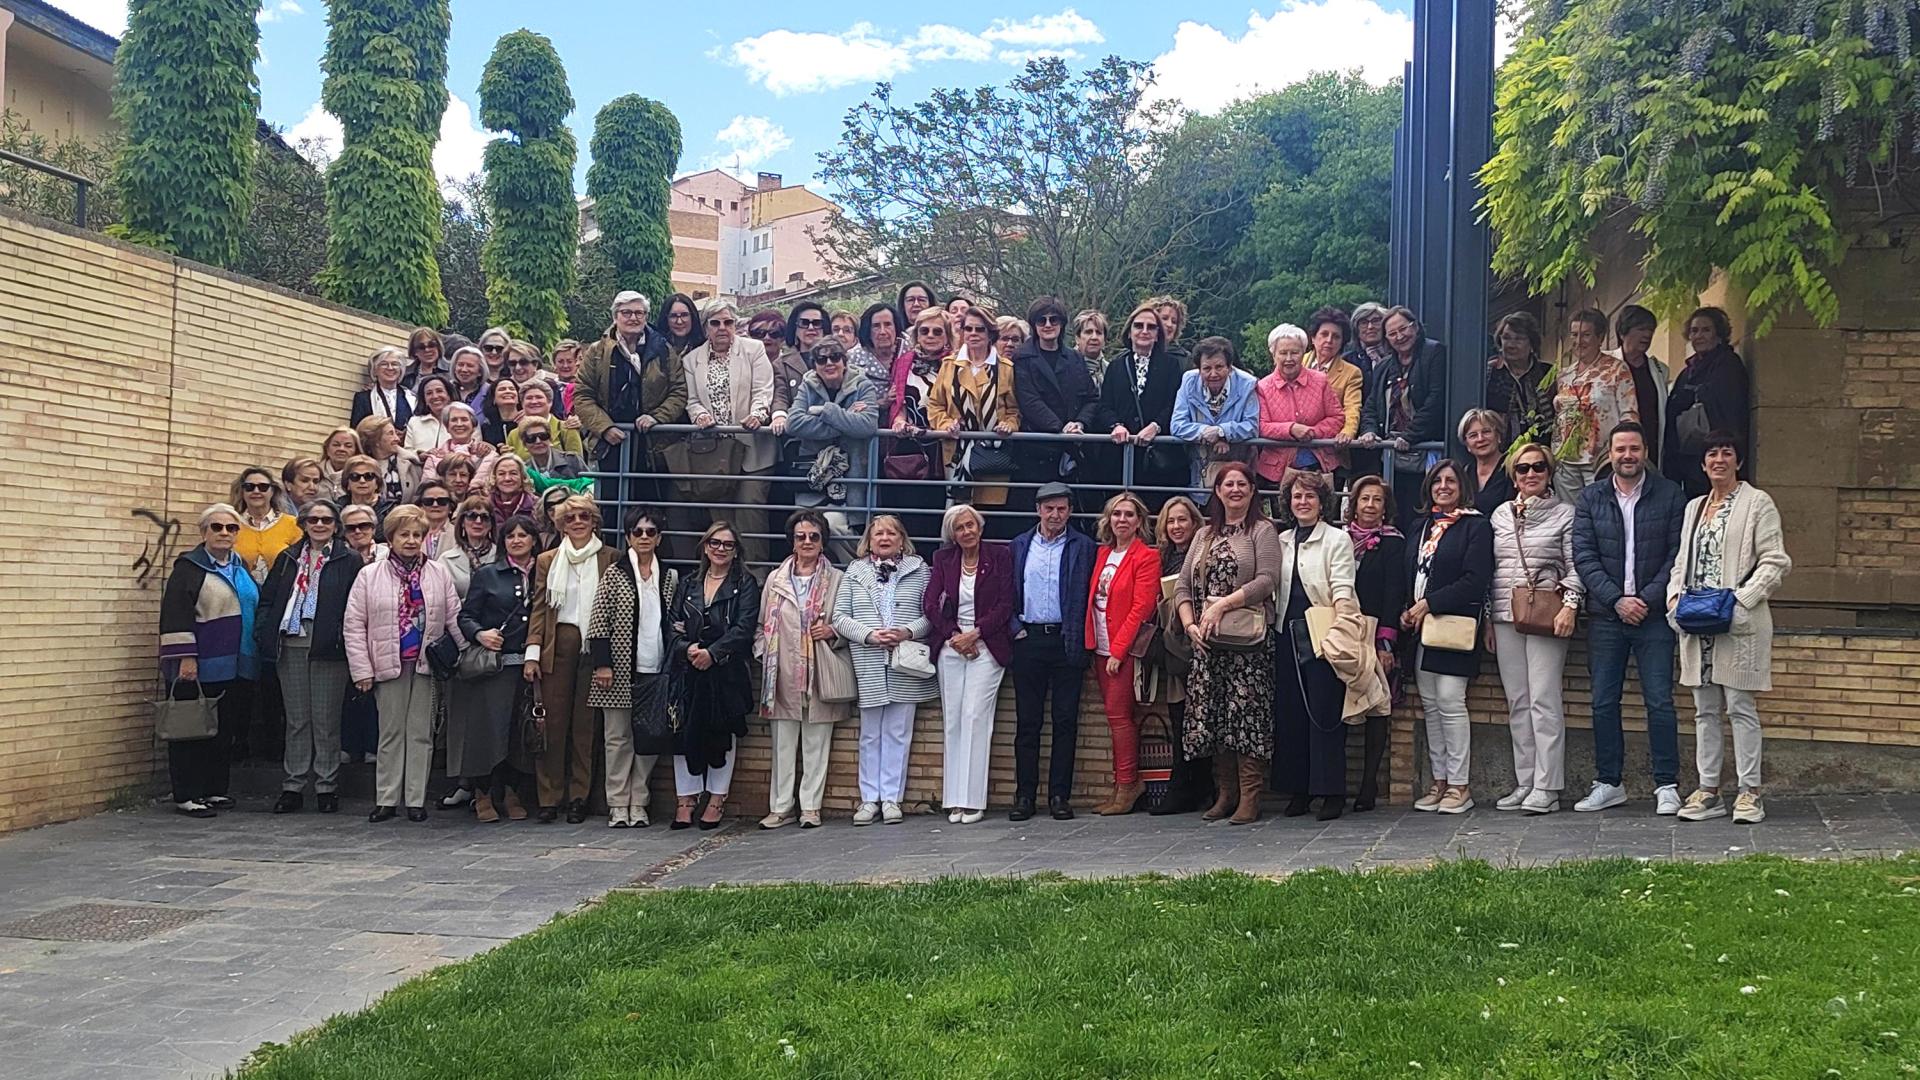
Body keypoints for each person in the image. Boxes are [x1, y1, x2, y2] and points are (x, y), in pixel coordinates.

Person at [1668, 432, 1792, 824]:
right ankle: (1708, 790)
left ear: (1738, 460)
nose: (1719, 460)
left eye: (1727, 453)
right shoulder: (1693, 508)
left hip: (1737, 622)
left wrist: (1741, 601)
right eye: (1712, 454)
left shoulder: (1758, 503)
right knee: (1704, 710)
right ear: (1703, 464)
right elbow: (1681, 563)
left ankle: (1749, 792)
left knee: (1740, 706)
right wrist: (1673, 599)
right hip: (1696, 621)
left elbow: (1775, 561)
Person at [1571, 421, 1687, 815]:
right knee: (1603, 701)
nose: (1627, 456)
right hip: (1606, 616)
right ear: (1610, 453)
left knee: (1660, 701)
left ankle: (1667, 785)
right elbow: (1584, 557)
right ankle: (1608, 782)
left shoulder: (1671, 495)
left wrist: (1645, 600)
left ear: (1645, 452)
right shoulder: (1590, 499)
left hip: (1654, 618)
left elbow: (1676, 555)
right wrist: (1617, 599)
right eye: (1620, 449)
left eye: (1634, 448)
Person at [1173, 463, 1280, 825]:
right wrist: (1189, 624)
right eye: (1227, 484)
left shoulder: (1262, 531)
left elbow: (1267, 580)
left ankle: (1251, 797)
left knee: (1246, 716)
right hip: (1209, 642)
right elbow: (1183, 586)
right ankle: (1225, 794)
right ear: (1217, 491)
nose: (1234, 490)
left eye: (1241, 484)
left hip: (1248, 643)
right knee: (1215, 717)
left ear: (1252, 490)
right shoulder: (1204, 535)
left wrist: (1223, 603)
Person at [345, 504, 462, 823]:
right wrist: (362, 670)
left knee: (421, 732)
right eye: (403, 534)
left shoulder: (439, 572)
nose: (410, 540)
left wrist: (465, 655)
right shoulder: (369, 575)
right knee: (391, 732)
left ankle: (415, 799)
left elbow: (453, 618)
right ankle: (386, 798)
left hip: (426, 663)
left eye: (416, 535)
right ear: (391, 537)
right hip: (387, 662)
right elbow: (354, 624)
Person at [1487, 443, 1583, 815]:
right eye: (1523, 469)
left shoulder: (1565, 514)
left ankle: (1548, 785)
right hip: (1504, 612)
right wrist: (1488, 619)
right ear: (1513, 476)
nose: (1530, 474)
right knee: (1518, 702)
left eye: (1538, 468)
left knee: (1544, 699)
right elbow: (1491, 569)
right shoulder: (1499, 515)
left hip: (1547, 612)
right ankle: (1524, 780)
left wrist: (1571, 606)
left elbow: (1577, 566)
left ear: (1549, 472)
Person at [1402, 458, 1494, 815]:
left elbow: (1475, 578)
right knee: (1430, 705)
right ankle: (1438, 782)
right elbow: (1408, 570)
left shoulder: (1475, 526)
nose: (1443, 486)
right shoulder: (1420, 526)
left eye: (1451, 481)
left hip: (1454, 625)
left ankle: (1459, 785)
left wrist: (1428, 604)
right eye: (1437, 480)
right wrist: (1406, 608)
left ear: (1462, 487)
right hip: (1419, 628)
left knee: (1451, 702)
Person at [832, 515, 938, 825]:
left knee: (898, 732)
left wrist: (906, 631)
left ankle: (892, 799)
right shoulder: (854, 572)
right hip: (869, 661)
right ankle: (868, 800)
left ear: (902, 539)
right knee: (869, 735)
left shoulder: (920, 570)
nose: (885, 538)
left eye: (892, 532)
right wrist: (869, 634)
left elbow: (930, 615)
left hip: (905, 661)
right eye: (878, 533)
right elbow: (839, 617)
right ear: (869, 540)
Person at [159, 504, 262, 817]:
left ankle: (215, 789)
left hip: (236, 662)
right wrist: (186, 658)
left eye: (231, 528)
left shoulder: (240, 565)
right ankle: (187, 794)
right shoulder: (188, 568)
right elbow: (175, 616)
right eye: (216, 527)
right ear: (203, 532)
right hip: (198, 664)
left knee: (223, 729)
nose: (224, 533)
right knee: (191, 728)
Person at [257, 498, 356, 815]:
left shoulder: (348, 559)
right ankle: (293, 785)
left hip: (329, 646)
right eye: (313, 520)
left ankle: (327, 786)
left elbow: (356, 605)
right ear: (303, 525)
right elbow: (268, 600)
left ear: (335, 526)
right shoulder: (288, 558)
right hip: (292, 643)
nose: (319, 525)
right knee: (298, 720)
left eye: (326, 520)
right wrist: (264, 632)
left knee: (326, 720)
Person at [1270, 471, 1358, 821]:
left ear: (1323, 502)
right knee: (1290, 714)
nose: (1302, 502)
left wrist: (1340, 632)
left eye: (1309, 496)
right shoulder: (1282, 540)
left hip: (1323, 633)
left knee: (1324, 715)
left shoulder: (1337, 539)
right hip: (1286, 634)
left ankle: (1332, 792)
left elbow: (1343, 589)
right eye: (1297, 496)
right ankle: (1299, 791)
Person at [522, 494, 615, 824]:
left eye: (584, 517)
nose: (577, 522)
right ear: (561, 524)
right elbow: (538, 608)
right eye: (571, 518)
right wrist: (532, 654)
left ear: (594, 521)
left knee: (585, 727)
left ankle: (579, 797)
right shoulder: (548, 560)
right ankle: (549, 797)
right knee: (553, 724)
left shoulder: (610, 557)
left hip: (594, 645)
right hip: (557, 644)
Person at [1007, 482, 1098, 820]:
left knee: (1065, 721)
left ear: (1070, 511)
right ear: (1038, 510)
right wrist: (1014, 628)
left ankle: (1059, 795)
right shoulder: (1019, 545)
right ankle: (1024, 796)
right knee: (1028, 723)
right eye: (1049, 508)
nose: (1055, 515)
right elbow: (1007, 591)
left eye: (1062, 509)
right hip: (1027, 639)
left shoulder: (1084, 546)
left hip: (1066, 640)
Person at [753, 510, 848, 829]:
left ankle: (810, 807)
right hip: (780, 673)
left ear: (823, 542)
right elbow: (760, 623)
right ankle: (780, 807)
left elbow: (848, 621)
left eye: (814, 536)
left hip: (820, 669)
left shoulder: (838, 579)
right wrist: (764, 652)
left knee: (816, 744)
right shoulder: (775, 579)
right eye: (800, 536)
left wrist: (832, 631)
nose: (807, 542)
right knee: (782, 745)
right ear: (791, 541)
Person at [588, 507, 679, 829]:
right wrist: (602, 664)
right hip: (618, 669)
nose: (644, 537)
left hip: (654, 669)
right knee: (617, 738)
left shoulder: (669, 576)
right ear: (628, 536)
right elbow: (598, 621)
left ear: (659, 538)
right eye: (637, 532)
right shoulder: (615, 573)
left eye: (650, 532)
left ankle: (639, 801)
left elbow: (672, 622)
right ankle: (617, 803)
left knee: (650, 737)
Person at [923, 504, 1013, 824]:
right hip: (951, 646)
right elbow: (930, 604)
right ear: (952, 534)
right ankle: (954, 799)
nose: (967, 532)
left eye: (971, 525)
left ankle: (973, 800)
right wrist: (954, 636)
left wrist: (975, 634)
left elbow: (1006, 603)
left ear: (980, 526)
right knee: (954, 720)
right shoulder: (943, 560)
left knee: (976, 716)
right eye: (960, 528)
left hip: (987, 645)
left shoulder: (999, 556)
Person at [677, 299, 776, 564]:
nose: (722, 328)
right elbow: (692, 399)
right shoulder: (691, 359)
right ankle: (723, 576)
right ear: (706, 326)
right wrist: (699, 414)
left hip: (752, 449)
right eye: (716, 323)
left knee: (750, 513)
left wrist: (758, 413)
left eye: (728, 322)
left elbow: (764, 389)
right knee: (721, 521)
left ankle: (755, 578)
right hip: (714, 452)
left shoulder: (754, 349)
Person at [457, 514, 541, 823]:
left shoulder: (543, 574)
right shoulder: (489, 574)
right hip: (495, 666)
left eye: (523, 535)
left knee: (518, 733)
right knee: (489, 731)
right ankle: (483, 792)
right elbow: (466, 616)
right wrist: (481, 633)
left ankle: (511, 791)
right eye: (510, 536)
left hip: (529, 664)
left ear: (534, 539)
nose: (517, 540)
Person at [1084, 492, 1161, 816]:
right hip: (1099, 647)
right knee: (1116, 719)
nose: (1122, 520)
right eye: (1117, 514)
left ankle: (1128, 785)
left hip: (1123, 651)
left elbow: (1141, 607)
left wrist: (1119, 651)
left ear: (1139, 521)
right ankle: (1121, 784)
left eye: (1129, 515)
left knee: (1120, 720)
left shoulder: (1146, 557)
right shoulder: (1103, 554)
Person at [574, 290, 686, 495]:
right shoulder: (597, 351)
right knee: (611, 505)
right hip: (611, 443)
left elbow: (679, 391)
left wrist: (656, 417)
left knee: (650, 505)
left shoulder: (663, 349)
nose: (633, 318)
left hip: (653, 443)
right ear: (615, 316)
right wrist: (604, 427)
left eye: (639, 313)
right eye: (626, 312)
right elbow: (582, 395)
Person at [927, 304, 1021, 530]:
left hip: (993, 452)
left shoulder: (1006, 368)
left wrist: (1008, 425)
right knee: (958, 518)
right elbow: (935, 404)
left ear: (990, 334)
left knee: (990, 520)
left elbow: (1014, 410)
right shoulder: (949, 365)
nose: (973, 334)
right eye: (968, 329)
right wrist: (946, 423)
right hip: (958, 453)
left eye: (979, 329)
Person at [1345, 475, 1406, 812]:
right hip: (1344, 632)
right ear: (1354, 503)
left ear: (1386, 507)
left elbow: (1393, 592)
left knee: (1376, 708)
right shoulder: (1341, 540)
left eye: (1377, 500)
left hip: (1376, 632)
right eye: (1364, 499)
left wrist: (1385, 644)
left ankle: (1369, 784)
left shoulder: (1393, 542)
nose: (1369, 506)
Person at [784, 338, 881, 547]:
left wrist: (825, 412)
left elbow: (867, 425)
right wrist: (845, 420)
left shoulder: (862, 384)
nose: (829, 363)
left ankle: (853, 575)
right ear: (815, 365)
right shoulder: (808, 385)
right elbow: (793, 423)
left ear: (844, 361)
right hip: (815, 477)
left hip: (852, 477)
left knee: (838, 528)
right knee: (806, 531)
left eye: (835, 357)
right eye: (821, 359)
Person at [1358, 306, 1448, 527]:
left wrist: (1410, 436)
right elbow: (1371, 406)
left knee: (1421, 514)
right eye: (1392, 333)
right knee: (1394, 515)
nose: (1399, 337)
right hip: (1391, 457)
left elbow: (1435, 400)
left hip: (1423, 450)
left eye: (1403, 329)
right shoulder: (1384, 366)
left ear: (1415, 327)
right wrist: (1369, 431)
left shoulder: (1433, 353)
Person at [1146, 495, 1207, 815]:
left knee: (1196, 717)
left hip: (1197, 641)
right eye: (1170, 521)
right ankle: (1185, 785)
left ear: (1195, 522)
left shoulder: (1202, 554)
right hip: (1173, 646)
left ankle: (1196, 787)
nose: (1176, 526)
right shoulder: (1164, 556)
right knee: (1178, 715)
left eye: (1182, 519)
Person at [1096, 303, 1185, 500]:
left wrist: (1156, 426)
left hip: (1156, 458)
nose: (1144, 331)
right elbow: (1104, 406)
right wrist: (1116, 425)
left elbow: (1176, 404)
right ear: (1129, 332)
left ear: (1157, 334)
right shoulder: (1116, 366)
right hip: (1120, 456)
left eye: (1151, 327)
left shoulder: (1172, 366)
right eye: (1138, 326)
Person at [1010, 296, 1097, 495]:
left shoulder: (1075, 358)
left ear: (1062, 323)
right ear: (1034, 325)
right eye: (1042, 320)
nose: (1048, 325)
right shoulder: (1022, 357)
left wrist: (1080, 423)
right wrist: (1061, 428)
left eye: (1053, 319)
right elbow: (1029, 401)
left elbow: (1092, 398)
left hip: (1072, 451)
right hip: (1036, 451)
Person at [1552, 308, 1639, 501]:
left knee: (1602, 511)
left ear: (1600, 337)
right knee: (1570, 516)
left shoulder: (1617, 369)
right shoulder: (1564, 374)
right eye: (1574, 335)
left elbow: (1629, 414)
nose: (1578, 341)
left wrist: (1623, 450)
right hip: (1565, 460)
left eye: (1586, 335)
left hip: (1601, 458)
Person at [1664, 306, 1751, 497]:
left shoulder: (1728, 364)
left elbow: (1730, 410)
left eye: (1706, 330)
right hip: (1690, 459)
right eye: (1694, 331)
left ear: (1718, 334)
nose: (1699, 336)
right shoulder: (1687, 372)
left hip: (1718, 456)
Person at [885, 309, 955, 537]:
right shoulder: (905, 361)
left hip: (943, 445)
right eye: (924, 331)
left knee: (940, 514)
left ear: (947, 335)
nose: (931, 336)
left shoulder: (955, 363)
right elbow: (899, 399)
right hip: (911, 447)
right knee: (909, 514)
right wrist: (899, 419)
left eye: (937, 331)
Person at [1253, 325, 1344, 491]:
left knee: (1323, 513)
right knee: (1283, 516)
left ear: (1303, 353)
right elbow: (1261, 425)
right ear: (1273, 355)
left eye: (1294, 352)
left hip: (1320, 462)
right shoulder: (1262, 386)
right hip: (1277, 468)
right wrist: (1291, 429)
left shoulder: (1320, 380)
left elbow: (1337, 417)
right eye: (1283, 353)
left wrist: (1313, 432)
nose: (1289, 358)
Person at [1173, 336, 1260, 494]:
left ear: (1230, 367)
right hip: (1199, 468)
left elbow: (1252, 427)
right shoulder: (1188, 381)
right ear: (1198, 369)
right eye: (1206, 368)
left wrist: (1222, 432)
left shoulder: (1247, 384)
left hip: (1237, 468)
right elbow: (1177, 425)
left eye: (1219, 367)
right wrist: (1206, 432)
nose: (1213, 374)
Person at [1302, 306, 1366, 476]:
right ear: (1313, 337)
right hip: (1293, 447)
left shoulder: (1351, 373)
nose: (1329, 340)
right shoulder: (1295, 362)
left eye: (1336, 336)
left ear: (1342, 342)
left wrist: (1347, 432)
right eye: (1324, 334)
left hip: (1330, 449)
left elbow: (1353, 407)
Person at [1613, 305, 1670, 468]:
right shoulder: (1606, 365)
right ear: (1623, 333)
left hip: (1650, 450)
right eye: (1641, 329)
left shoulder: (1660, 370)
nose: (1647, 335)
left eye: (1650, 330)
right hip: (1618, 450)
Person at [1485, 311, 1553, 448]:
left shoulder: (1547, 373)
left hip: (1541, 452)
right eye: (1506, 338)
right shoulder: (1488, 373)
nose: (1511, 344)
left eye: (1519, 339)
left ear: (1532, 343)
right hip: (1500, 452)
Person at [231, 466, 303, 584]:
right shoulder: (231, 525)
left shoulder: (292, 524)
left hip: (279, 596)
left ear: (273, 491)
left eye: (263, 487)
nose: (256, 491)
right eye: (249, 487)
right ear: (242, 491)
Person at [505, 381, 585, 460]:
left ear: (550, 402)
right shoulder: (514, 434)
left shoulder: (567, 428)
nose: (534, 401)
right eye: (529, 398)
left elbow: (577, 463)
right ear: (522, 404)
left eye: (539, 397)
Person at [355, 415, 418, 512]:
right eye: (390, 434)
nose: (397, 439)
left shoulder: (411, 462)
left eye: (395, 433)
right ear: (376, 441)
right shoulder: (360, 467)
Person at [849, 301, 907, 407]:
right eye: (876, 326)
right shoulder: (852, 359)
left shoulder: (910, 350)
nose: (883, 331)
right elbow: (850, 404)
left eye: (888, 324)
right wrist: (882, 402)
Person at [1461, 409, 1515, 513]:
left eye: (1486, 432)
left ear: (1498, 436)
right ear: (1467, 445)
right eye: (1473, 435)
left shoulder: (1513, 468)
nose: (1480, 439)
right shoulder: (1465, 473)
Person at [422, 402, 496, 478]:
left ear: (473, 427)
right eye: (454, 420)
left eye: (464, 419)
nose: (459, 424)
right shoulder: (434, 457)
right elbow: (427, 486)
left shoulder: (487, 454)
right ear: (447, 427)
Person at [350, 347, 415, 428]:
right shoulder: (363, 398)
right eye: (384, 364)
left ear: (401, 370)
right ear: (375, 370)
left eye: (394, 364)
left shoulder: (411, 398)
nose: (390, 368)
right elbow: (356, 430)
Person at [511, 415, 588, 480]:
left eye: (543, 436)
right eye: (531, 438)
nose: (538, 441)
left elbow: (591, 486)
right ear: (524, 444)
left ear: (550, 439)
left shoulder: (572, 460)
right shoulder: (524, 470)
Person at [405, 375, 455, 453]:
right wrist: (420, 456)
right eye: (429, 393)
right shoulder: (414, 422)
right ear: (424, 399)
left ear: (449, 395)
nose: (435, 396)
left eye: (439, 391)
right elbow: (406, 454)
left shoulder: (465, 419)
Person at [483, 453, 537, 526]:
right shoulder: (484, 506)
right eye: (501, 474)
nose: (507, 478)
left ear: (522, 477)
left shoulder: (536, 506)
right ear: (494, 478)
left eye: (513, 473)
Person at [338, 455, 384, 533]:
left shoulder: (389, 510)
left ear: (377, 482)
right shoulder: (337, 508)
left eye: (368, 476)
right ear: (347, 483)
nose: (362, 481)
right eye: (355, 476)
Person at [1347, 301, 1393, 377]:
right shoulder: (1347, 361)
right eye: (1364, 322)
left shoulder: (1398, 356)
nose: (1370, 327)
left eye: (1376, 321)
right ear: (1356, 328)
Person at [657, 293, 706, 361]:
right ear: (666, 319)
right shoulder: (655, 348)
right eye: (673, 316)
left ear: (693, 317)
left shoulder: (705, 349)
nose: (679, 321)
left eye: (684, 315)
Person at [319, 426, 361, 500]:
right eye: (336, 445)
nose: (341, 449)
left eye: (348, 446)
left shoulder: (363, 478)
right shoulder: (314, 475)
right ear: (327, 449)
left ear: (356, 452)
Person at [1148, 294, 1190, 365]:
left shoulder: (1186, 360)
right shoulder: (1132, 356)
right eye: (1164, 318)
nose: (1169, 324)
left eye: (1174, 322)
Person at [449, 345, 490, 415]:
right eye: (460, 365)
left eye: (470, 366)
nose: (464, 369)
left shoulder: (490, 392)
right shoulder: (446, 390)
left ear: (480, 371)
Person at [480, 376, 521, 447]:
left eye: (512, 389)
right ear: (493, 399)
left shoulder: (527, 421)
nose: (508, 391)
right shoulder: (486, 428)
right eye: (502, 389)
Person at [549, 338, 585, 418]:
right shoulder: (547, 387)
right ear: (554, 363)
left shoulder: (587, 388)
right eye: (560, 361)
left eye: (569, 361)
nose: (565, 366)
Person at [1073, 308, 1109, 385]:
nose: (1094, 337)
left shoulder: (1110, 371)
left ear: (1104, 339)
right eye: (1088, 332)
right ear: (1077, 338)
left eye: (1099, 332)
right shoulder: (1066, 368)